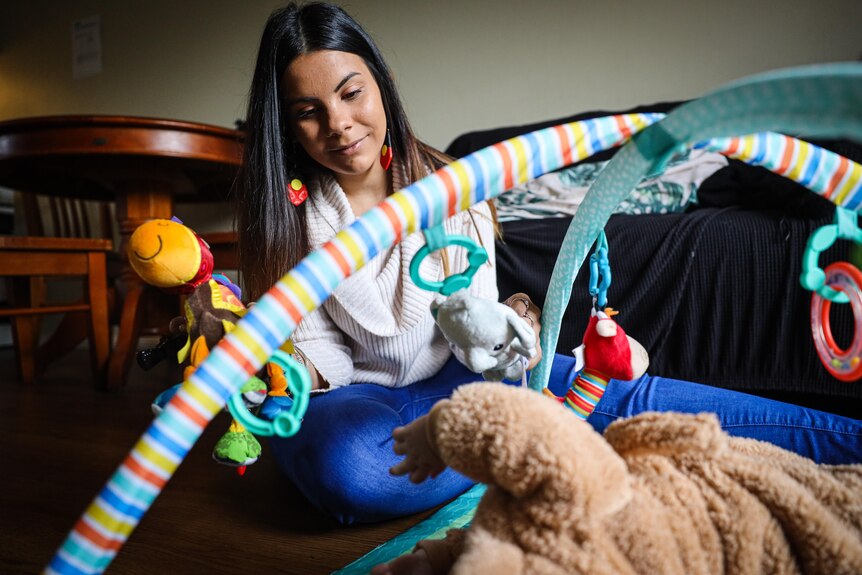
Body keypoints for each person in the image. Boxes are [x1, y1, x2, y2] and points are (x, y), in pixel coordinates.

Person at [236, 2, 862, 527]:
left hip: (464, 384)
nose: (339, 125)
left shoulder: (453, 183)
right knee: (348, 470)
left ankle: (844, 444)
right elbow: (328, 364)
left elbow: (475, 338)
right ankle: (528, 446)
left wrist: (507, 336)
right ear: (289, 128)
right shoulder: (282, 220)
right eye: (308, 113)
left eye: (351, 94)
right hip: (359, 404)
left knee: (630, 395)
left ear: (379, 85)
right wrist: (284, 375)